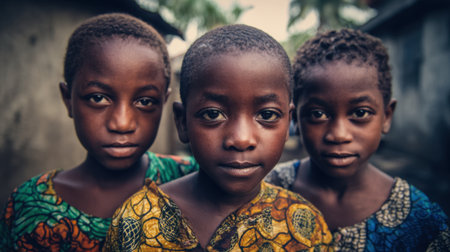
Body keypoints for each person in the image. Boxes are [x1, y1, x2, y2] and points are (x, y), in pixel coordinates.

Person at [103, 24, 333, 251]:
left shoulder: (304, 227)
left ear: (288, 122)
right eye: (213, 114)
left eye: (267, 115)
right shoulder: (136, 219)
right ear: (182, 122)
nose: (241, 139)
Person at [0, 13, 198, 251]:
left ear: (164, 102)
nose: (122, 123)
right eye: (98, 98)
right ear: (68, 100)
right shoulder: (30, 205)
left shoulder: (193, 181)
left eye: (145, 101)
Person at [265, 28, 450, 251]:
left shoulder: (422, 219)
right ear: (295, 119)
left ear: (386, 116)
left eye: (360, 113)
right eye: (318, 114)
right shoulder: (266, 191)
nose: (339, 135)